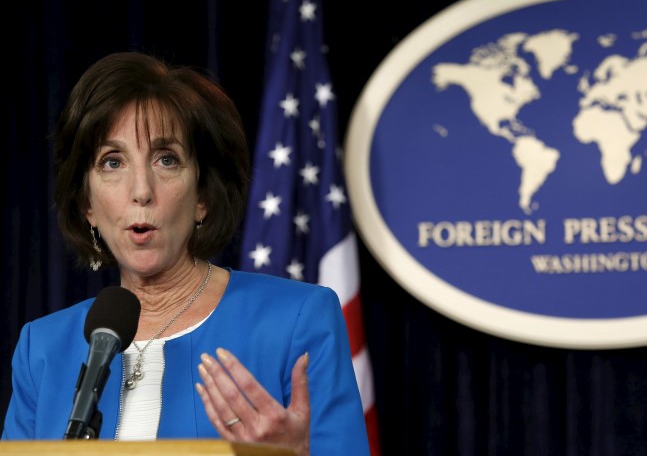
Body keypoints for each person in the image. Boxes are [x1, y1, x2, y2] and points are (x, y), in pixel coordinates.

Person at [1, 51, 370, 455]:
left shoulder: (296, 321)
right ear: (87, 203)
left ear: (202, 198)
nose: (141, 190)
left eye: (166, 159)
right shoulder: (44, 348)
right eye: (112, 162)